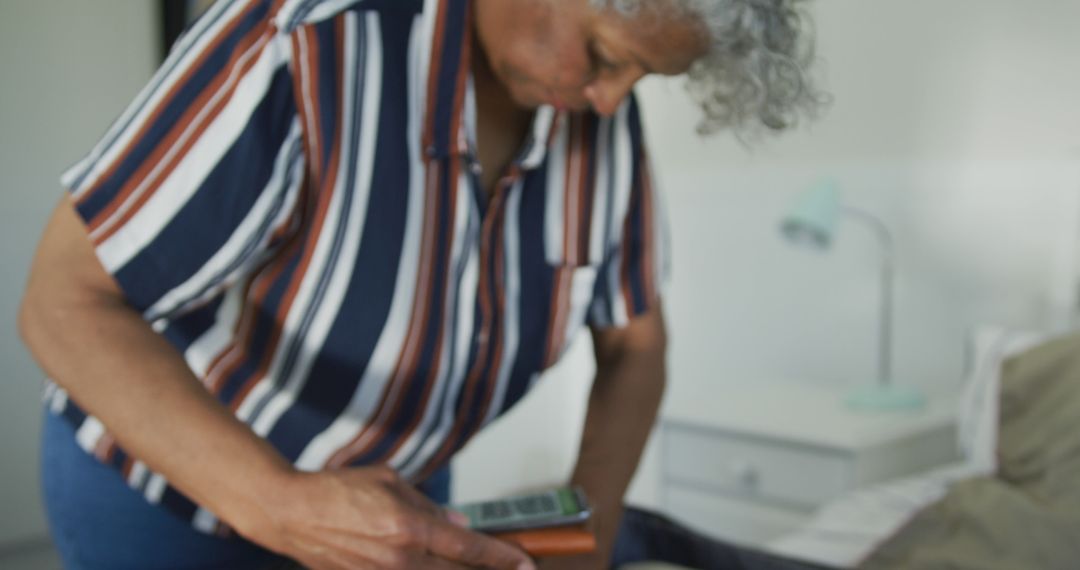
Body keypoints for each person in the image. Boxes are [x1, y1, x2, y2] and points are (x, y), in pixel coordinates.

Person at [18, 0, 819, 568]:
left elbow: (637, 346)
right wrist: (286, 507)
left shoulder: (593, 122)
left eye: (638, 78)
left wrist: (592, 533)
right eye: (607, 56)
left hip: (396, 497)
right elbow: (62, 303)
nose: (610, 102)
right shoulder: (302, 43)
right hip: (168, 498)